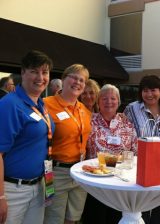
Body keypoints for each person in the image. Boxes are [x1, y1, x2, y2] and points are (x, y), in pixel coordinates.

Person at [0, 50, 54, 224]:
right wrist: (0, 197)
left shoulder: (41, 103)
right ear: (23, 72)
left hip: (39, 185)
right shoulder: (10, 104)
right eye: (34, 71)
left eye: (44, 72)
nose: (40, 77)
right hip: (13, 190)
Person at [124, 75, 160, 224]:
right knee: (142, 209)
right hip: (141, 167)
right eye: (145, 90)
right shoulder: (132, 108)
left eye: (153, 90)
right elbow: (124, 131)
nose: (149, 94)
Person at [82, 84, 137, 224]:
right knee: (95, 217)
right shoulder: (89, 121)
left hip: (119, 182)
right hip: (95, 182)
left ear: (118, 102)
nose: (109, 102)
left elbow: (134, 151)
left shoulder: (127, 123)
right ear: (98, 102)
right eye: (104, 98)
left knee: (116, 218)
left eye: (113, 98)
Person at [43, 64, 92, 224]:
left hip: (80, 172)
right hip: (54, 172)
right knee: (52, 219)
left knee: (73, 219)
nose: (78, 82)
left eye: (82, 80)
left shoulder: (83, 109)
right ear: (63, 79)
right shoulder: (46, 104)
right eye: (74, 77)